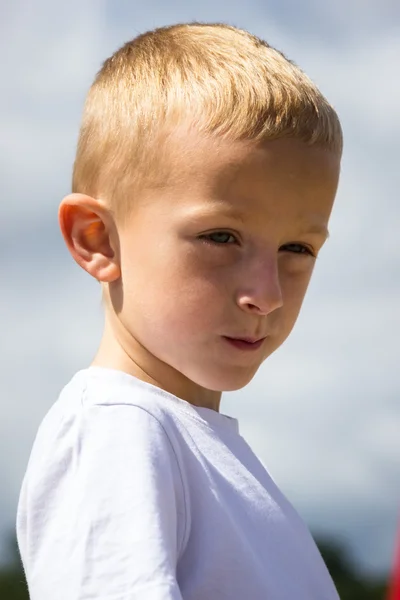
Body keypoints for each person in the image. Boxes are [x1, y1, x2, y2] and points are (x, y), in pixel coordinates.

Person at [16, 22, 343, 599]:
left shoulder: (192, 447)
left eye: (297, 249)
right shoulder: (116, 432)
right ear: (99, 240)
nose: (266, 294)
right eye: (221, 237)